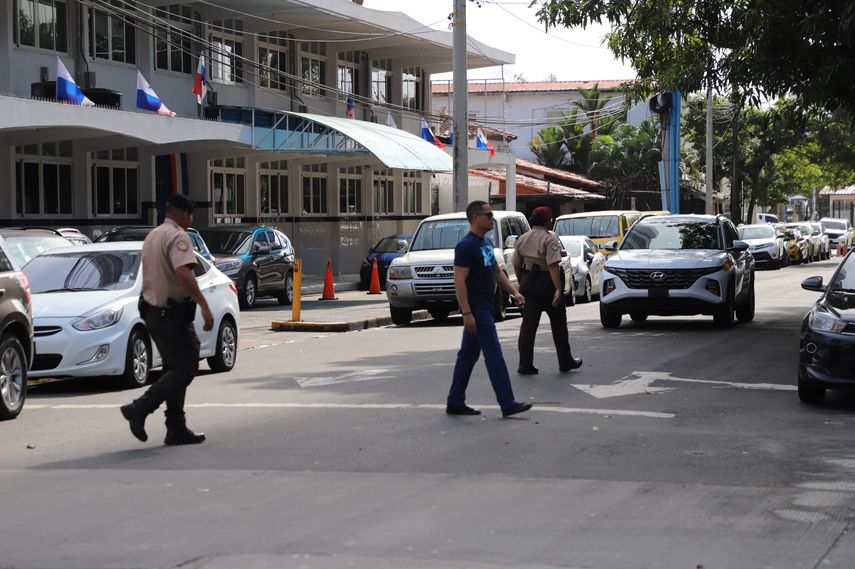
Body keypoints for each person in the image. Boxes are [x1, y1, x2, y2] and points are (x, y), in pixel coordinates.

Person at [120, 193, 214, 445]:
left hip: (153, 311)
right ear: (183, 213)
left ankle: (176, 426)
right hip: (170, 313)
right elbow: (183, 272)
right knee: (188, 365)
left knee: (173, 368)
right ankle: (140, 407)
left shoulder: (153, 235)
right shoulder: (177, 236)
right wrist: (204, 306)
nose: (190, 219)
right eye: (190, 215)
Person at [446, 201, 533, 418]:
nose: (491, 218)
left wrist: (515, 292)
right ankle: (507, 402)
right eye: (488, 214)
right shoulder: (466, 246)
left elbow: (495, 271)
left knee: (467, 355)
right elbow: (460, 280)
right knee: (494, 354)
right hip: (477, 309)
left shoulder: (484, 243)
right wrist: (466, 313)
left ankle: (455, 401)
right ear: (475, 217)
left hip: (484, 306)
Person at [512, 206, 583, 375]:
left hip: (528, 281)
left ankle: (524, 364)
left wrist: (524, 280)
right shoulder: (549, 239)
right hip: (547, 282)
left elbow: (516, 264)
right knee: (559, 324)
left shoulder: (522, 238)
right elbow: (552, 266)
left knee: (528, 326)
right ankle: (565, 361)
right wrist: (558, 289)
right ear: (547, 221)